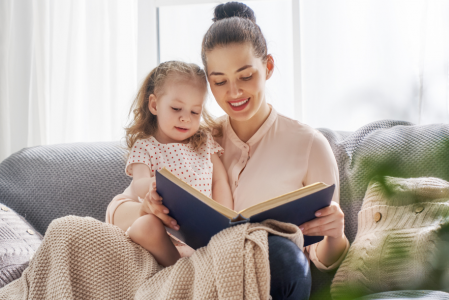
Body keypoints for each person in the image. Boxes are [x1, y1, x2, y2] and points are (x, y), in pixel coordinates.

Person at [107, 2, 350, 299]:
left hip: (272, 279)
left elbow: (318, 258)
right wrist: (146, 207)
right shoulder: (194, 139)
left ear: (268, 67)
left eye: (245, 76)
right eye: (219, 81)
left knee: (285, 256)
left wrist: (335, 235)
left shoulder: (310, 145)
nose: (233, 93)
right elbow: (116, 211)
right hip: (197, 275)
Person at [121, 60, 233, 267]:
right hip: (165, 231)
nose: (185, 119)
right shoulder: (146, 146)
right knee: (143, 226)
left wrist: (224, 216)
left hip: (200, 231)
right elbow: (138, 183)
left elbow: (219, 180)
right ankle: (179, 271)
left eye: (194, 112)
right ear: (154, 105)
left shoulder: (204, 142)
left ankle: (189, 266)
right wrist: (155, 185)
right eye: (176, 108)